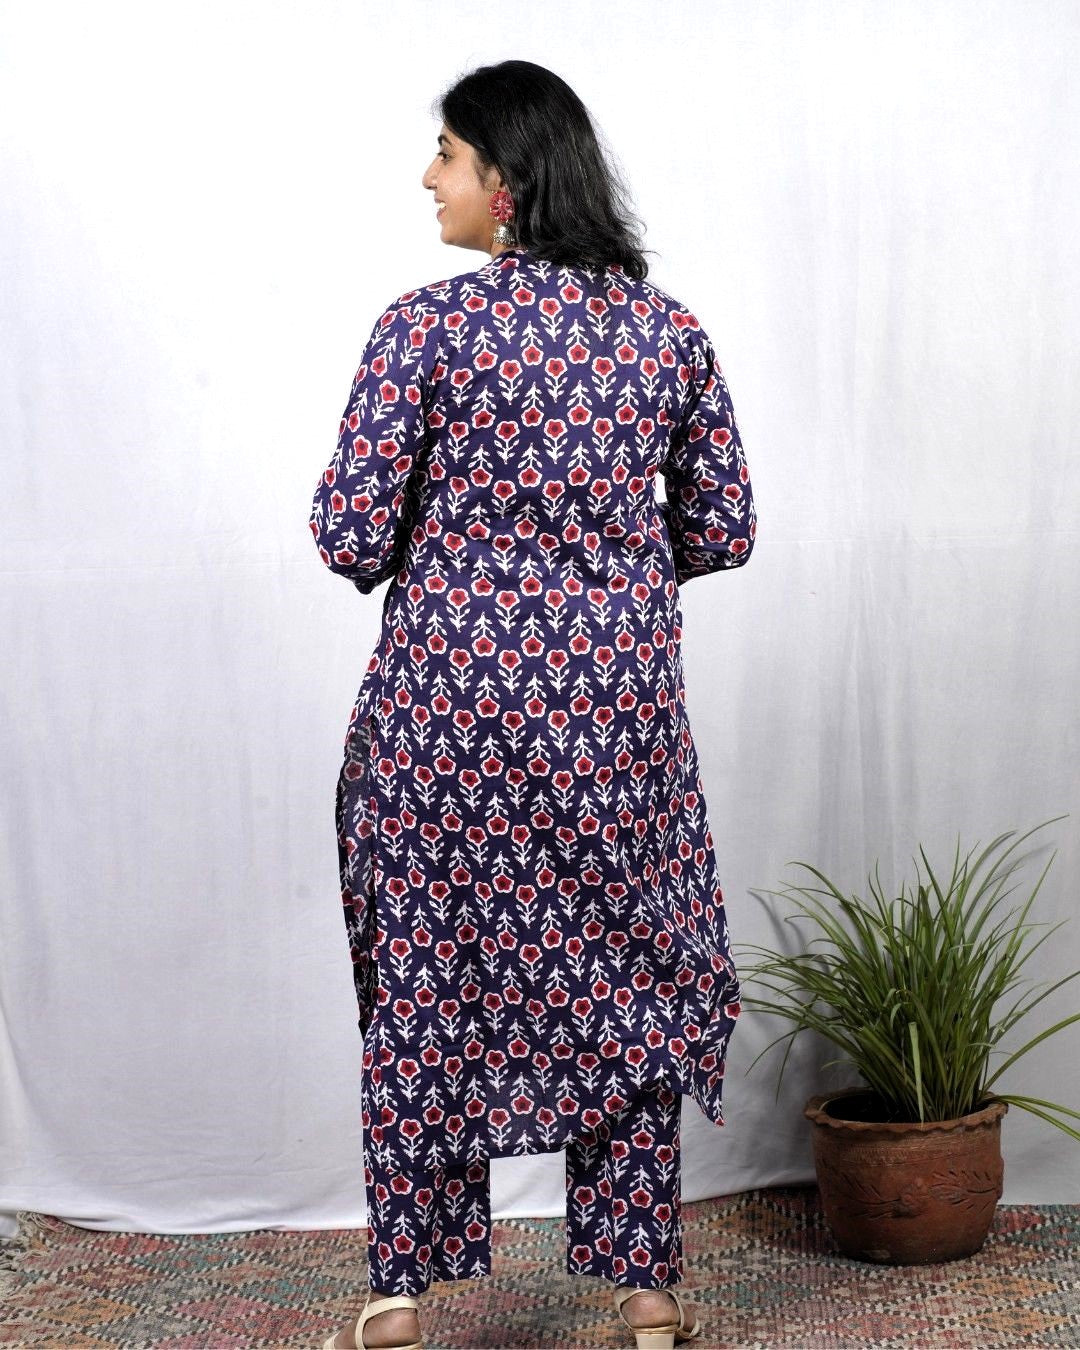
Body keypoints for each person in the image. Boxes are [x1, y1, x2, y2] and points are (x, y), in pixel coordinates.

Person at [310, 59, 756, 1350]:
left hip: (445, 724)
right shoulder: (667, 333)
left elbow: (350, 533)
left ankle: (401, 1294)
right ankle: (645, 1291)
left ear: (505, 180)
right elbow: (724, 529)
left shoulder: (424, 329)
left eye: (447, 154)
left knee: (428, 981)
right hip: (613, 729)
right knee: (627, 978)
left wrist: (463, 551)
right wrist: (600, 578)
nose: (429, 177)